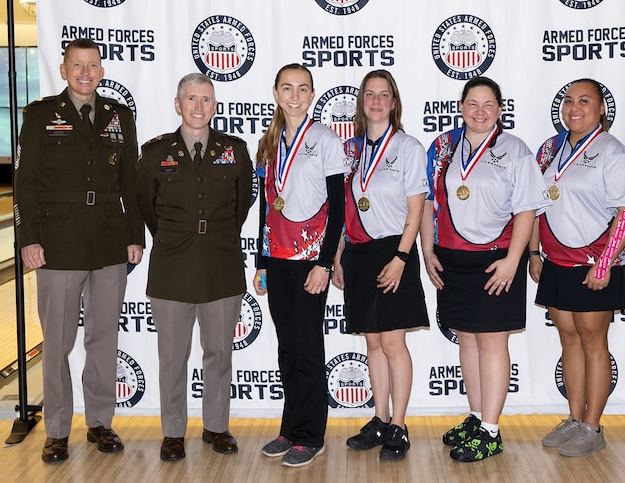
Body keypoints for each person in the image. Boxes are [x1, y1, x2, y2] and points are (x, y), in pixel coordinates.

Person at [14, 37, 144, 463]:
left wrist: (135, 235)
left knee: (103, 338)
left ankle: (100, 424)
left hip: (107, 242)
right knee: (58, 343)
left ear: (101, 72)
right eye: (77, 65)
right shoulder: (39, 116)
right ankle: (56, 430)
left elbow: (131, 182)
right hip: (57, 245)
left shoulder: (118, 116)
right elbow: (25, 184)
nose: (85, 72)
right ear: (63, 69)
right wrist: (28, 239)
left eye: (93, 65)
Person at [420, 76, 549, 462]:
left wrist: (515, 259)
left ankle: (491, 431)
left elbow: (527, 209)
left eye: (488, 104)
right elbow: (428, 202)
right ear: (461, 106)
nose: (480, 112)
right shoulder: (442, 147)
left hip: (497, 261)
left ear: (500, 110)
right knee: (467, 339)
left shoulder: (516, 151)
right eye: (473, 104)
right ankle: (477, 418)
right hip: (452, 260)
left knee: (492, 342)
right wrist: (427, 251)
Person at [135, 73, 253, 462]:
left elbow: (241, 206)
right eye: (191, 99)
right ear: (177, 104)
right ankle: (172, 432)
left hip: (221, 265)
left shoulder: (234, 150)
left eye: (206, 99)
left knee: (219, 354)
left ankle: (216, 427)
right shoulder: (155, 153)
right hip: (172, 266)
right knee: (172, 357)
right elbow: (146, 207)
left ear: (215, 106)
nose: (198, 106)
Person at [528, 78, 625, 457]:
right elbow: (536, 205)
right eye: (569, 101)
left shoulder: (613, 152)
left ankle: (593, 426)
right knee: (569, 340)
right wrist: (534, 253)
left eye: (584, 101)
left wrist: (605, 263)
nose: (574, 108)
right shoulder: (550, 149)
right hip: (557, 261)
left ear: (601, 109)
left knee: (594, 344)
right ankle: (575, 419)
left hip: (595, 264)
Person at [252, 63, 348, 468]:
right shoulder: (267, 142)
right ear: (275, 92)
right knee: (287, 348)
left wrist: (325, 264)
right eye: (287, 88)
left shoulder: (327, 140)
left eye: (302, 89)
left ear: (311, 95)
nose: (294, 95)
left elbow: (339, 210)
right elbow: (264, 208)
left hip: (311, 261)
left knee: (308, 348)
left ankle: (312, 435)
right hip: (276, 259)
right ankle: (291, 428)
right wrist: (260, 261)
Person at [330, 70, 429, 461]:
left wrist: (402, 258)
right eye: (369, 94)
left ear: (393, 101)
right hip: (357, 254)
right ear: (361, 102)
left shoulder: (407, 147)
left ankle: (399, 426)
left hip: (394, 250)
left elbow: (417, 205)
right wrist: (337, 256)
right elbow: (342, 209)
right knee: (372, 342)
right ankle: (380, 417)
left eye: (383, 94)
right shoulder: (349, 149)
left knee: (392, 341)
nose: (375, 101)